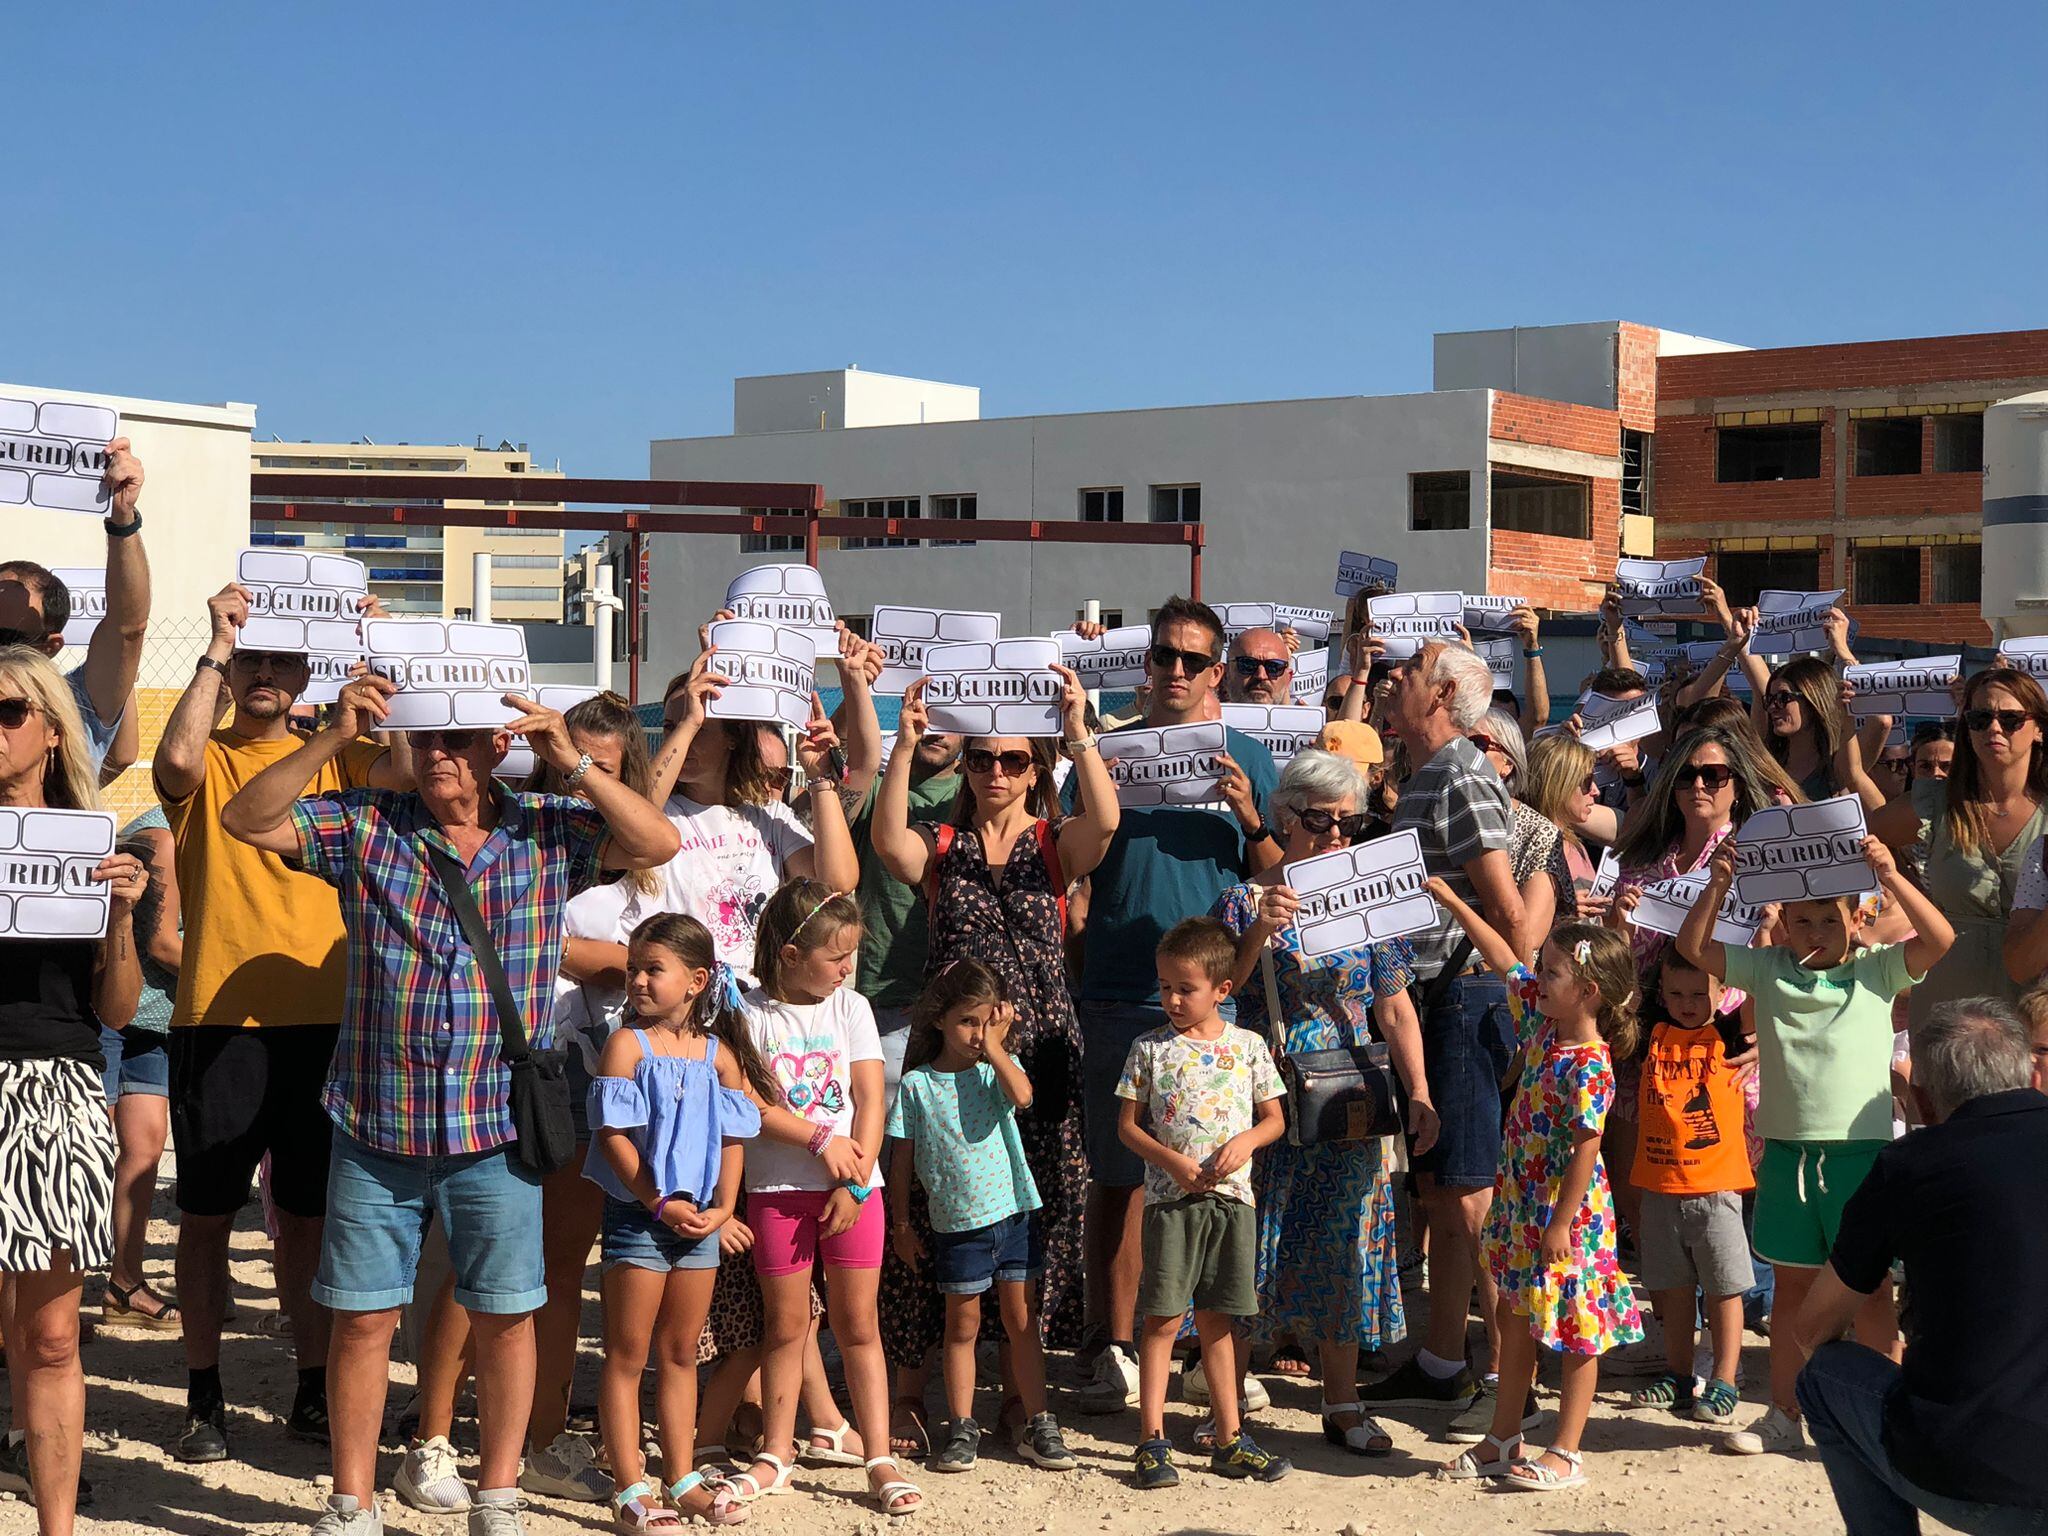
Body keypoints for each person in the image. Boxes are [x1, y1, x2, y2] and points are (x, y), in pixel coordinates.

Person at [219, 674, 682, 1536]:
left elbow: (656, 842)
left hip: (497, 1127)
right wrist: (329, 738)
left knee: (507, 1319)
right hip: (375, 1119)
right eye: (426, 738)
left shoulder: (550, 829)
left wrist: (573, 762)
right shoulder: (366, 823)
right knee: (360, 1322)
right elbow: (245, 820)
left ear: (495, 747)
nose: (438, 753)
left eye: (458, 739)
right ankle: (350, 1504)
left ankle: (498, 1496)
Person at [153, 582, 413, 1463]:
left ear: (307, 669)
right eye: (251, 660)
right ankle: (203, 1393)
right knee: (207, 1214)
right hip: (220, 1016)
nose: (263, 673)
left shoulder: (340, 753)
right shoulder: (213, 752)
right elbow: (173, 764)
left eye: (279, 659)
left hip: (330, 1022)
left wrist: (395, 657)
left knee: (306, 1220)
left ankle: (309, 1387)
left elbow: (408, 773)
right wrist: (217, 644)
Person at [397, 693, 661, 1512]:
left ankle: (538, 1438)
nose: (585, 781)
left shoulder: (616, 835)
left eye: (607, 770)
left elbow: (652, 852)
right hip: (522, 1063)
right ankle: (433, 1436)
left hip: (607, 1070)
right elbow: (551, 944)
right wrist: (616, 957)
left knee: (551, 1269)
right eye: (568, 763)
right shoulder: (533, 829)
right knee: (478, 1262)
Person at [872, 667, 1115, 1398]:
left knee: (1035, 1206)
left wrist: (1078, 733)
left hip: (1039, 1056)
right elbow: (888, 844)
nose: (995, 772)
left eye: (1013, 759)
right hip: (952, 1053)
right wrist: (905, 751)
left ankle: (1021, 1393)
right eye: (982, 759)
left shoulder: (1053, 840)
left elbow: (1104, 822)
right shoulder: (942, 844)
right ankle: (916, 1391)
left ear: (1035, 768)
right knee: (935, 1200)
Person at [1062, 596, 1280, 1413]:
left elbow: (1280, 881)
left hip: (1219, 1006)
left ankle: (1201, 1347)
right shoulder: (1108, 752)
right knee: (1119, 1179)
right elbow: (1068, 859)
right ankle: (1110, 1344)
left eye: (1194, 660)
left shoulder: (1250, 759)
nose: (1177, 671)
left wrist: (1250, 817)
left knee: (1220, 1179)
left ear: (1217, 671)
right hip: (1119, 990)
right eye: (1165, 657)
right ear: (1146, 663)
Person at [1677, 834, 1953, 1458]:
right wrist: (1720, 884)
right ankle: (1784, 1414)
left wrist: (1889, 872)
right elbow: (1692, 948)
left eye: (1830, 918)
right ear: (1785, 926)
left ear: (1858, 919)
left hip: (1860, 1160)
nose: (1815, 930)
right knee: (1794, 1296)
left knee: (1872, 1294)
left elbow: (1940, 940)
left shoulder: (1878, 969)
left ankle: (1889, 1420)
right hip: (1788, 1157)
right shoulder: (1769, 968)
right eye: (1802, 920)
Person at [1212, 750, 1438, 1457]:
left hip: (1349, 1095)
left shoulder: (1368, 897)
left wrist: (1421, 1092)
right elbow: (1220, 989)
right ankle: (1229, 1409)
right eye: (1321, 821)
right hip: (1267, 1093)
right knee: (1253, 1250)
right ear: (1285, 818)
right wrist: (1259, 932)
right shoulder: (1242, 900)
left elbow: (1395, 1005)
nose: (1338, 836)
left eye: (1351, 822)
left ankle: (1340, 1403)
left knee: (1345, 1249)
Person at [1793, 998, 2048, 1533]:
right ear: (2030, 1071)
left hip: (1979, 1477)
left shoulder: (1910, 1165)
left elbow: (1813, 1328)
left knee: (1824, 1376)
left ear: (1923, 1101)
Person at [1425, 887, 1643, 1493]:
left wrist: (1560, 1224)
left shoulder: (1591, 1062)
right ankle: (1502, 1439)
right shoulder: (1544, 1026)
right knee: (1512, 1312)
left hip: (1566, 1217)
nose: (1538, 979)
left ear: (1589, 991)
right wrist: (1452, 901)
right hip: (1523, 1205)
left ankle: (1567, 1450)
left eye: (1553, 972)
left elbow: (1586, 1148)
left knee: (1578, 1327)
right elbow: (1502, 959)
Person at [0, 648, 147, 1536]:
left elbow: (118, 1010)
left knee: (52, 1336)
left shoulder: (91, 841)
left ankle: (57, 1525)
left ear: (52, 731)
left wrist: (122, 918)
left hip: (53, 1088)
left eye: (7, 711)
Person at [1359, 640, 1526, 1419]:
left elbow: (1509, 912)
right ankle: (1443, 1361)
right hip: (1435, 1001)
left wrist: (1516, 1002)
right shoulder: (1432, 775)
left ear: (1445, 692)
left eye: (1411, 669)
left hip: (1465, 997)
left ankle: (1508, 1384)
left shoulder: (1462, 773)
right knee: (1440, 1195)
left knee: (1467, 1199)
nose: (1395, 678)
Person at [727, 880, 920, 1518]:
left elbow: (870, 1098)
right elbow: (750, 1104)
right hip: (778, 1191)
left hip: (852, 1194)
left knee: (858, 1325)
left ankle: (877, 1459)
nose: (847, 969)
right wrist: (817, 1140)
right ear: (787, 953)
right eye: (835, 958)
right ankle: (777, 1454)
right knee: (784, 1326)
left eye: (851, 956)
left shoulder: (853, 1009)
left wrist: (856, 1181)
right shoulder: (747, 1014)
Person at [589, 915, 762, 1530]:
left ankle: (682, 1474)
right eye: (634, 967)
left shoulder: (720, 1055)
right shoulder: (626, 1045)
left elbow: (737, 1135)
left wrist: (722, 1208)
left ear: (696, 981)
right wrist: (657, 1202)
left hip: (699, 1222)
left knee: (682, 1350)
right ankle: (630, 1484)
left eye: (651, 969)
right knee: (627, 1351)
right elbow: (613, 1138)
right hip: (642, 1218)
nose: (637, 979)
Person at [1116, 918, 1291, 1490]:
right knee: (1163, 1319)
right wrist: (1172, 1163)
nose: (1171, 998)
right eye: (1164, 985)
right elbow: (1128, 1127)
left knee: (1221, 1322)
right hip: (1171, 1204)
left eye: (1184, 988)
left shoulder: (1248, 1047)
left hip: (1232, 1202)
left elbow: (1274, 1119)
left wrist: (1244, 1142)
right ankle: (1151, 1439)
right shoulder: (1149, 1049)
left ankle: (1230, 1436)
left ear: (1221, 989)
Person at [885, 961, 1076, 1475]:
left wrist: (996, 1045)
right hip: (957, 1226)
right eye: (967, 1022)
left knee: (1021, 1321)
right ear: (940, 1020)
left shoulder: (995, 1072)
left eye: (986, 1021)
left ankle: (1038, 1420)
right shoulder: (918, 1086)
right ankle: (963, 1425)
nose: (976, 1033)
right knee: (961, 1326)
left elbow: (1025, 1095)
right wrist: (900, 1226)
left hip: (1013, 1216)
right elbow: (900, 1161)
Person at [1622, 948, 1754, 1429]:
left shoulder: (1730, 1032)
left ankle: (1723, 1380)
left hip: (1716, 1187)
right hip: (1659, 1187)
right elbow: (1621, 1000)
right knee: (1671, 1289)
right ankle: (1678, 1376)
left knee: (1724, 1288)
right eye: (1676, 993)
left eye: (1700, 993)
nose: (1688, 1003)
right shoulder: (1651, 1032)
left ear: (1723, 993)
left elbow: (1766, 990)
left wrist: (1761, 934)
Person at [1875, 668, 2048, 1023]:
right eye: (1980, 717)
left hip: (2033, 1007)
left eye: (2011, 718)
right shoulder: (1935, 802)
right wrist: (1908, 887)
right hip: (1947, 1000)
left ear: (2039, 729)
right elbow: (1857, 840)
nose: (1994, 729)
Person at [0, 436, 149, 776]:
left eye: (8, 637)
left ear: (50, 646)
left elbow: (128, 627)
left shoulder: (77, 705)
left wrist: (123, 517)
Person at [97, 804, 182, 1332]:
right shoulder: (164, 836)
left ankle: (123, 1284)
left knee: (146, 1149)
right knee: (82, 1151)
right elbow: (161, 942)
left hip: (158, 1019)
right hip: (111, 1008)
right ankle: (33, 1300)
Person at [850, 716, 961, 1105]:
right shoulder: (875, 789)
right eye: (928, 714)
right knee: (884, 1150)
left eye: (952, 717)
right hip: (888, 1001)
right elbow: (846, 778)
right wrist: (854, 681)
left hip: (964, 1005)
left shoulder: (982, 794)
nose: (935, 727)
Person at [1471, 708, 1565, 948]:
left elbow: (1529, 937)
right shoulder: (1440, 814)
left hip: (1500, 974)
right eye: (1457, 743)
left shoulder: (1539, 832)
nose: (1463, 754)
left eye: (1477, 744)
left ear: (1508, 764)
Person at [1759, 649, 1881, 811]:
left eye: (1783, 698)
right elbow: (1756, 681)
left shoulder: (1839, 766)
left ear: (1813, 700)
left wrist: (1843, 651)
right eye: (1770, 699)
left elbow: (1881, 720)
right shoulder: (1766, 764)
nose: (1773, 707)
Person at [1222, 626, 1293, 706]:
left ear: (1288, 679)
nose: (1261, 676)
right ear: (1225, 675)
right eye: (1248, 665)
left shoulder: (1304, 718)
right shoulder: (1210, 718)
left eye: (1273, 667)